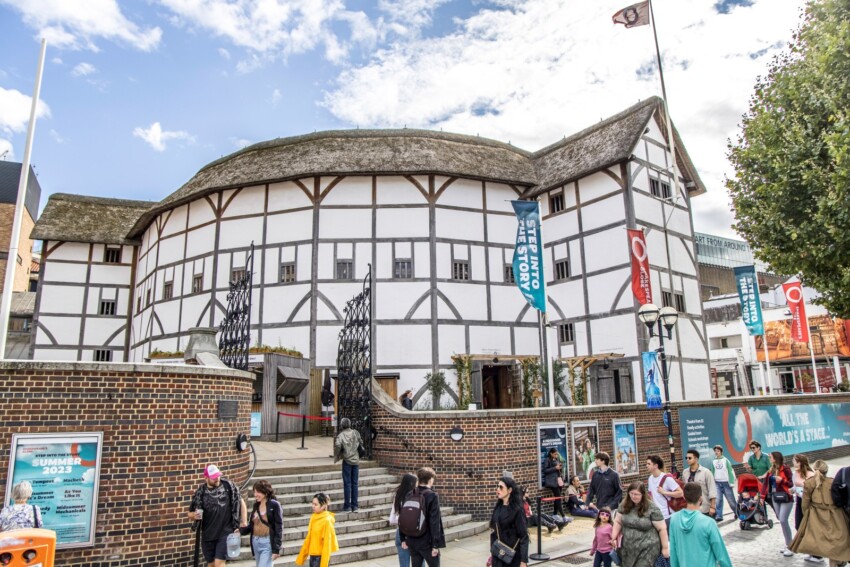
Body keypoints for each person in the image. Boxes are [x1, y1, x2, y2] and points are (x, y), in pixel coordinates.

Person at [789, 460, 850, 566]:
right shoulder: (832, 481)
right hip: (834, 516)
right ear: (826, 470)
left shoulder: (809, 483)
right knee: (834, 542)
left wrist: (807, 516)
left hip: (816, 516)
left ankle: (832, 560)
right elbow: (838, 498)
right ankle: (837, 562)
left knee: (819, 541)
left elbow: (805, 504)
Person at [188, 464, 242, 567]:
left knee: (219, 564)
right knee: (211, 564)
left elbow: (240, 501)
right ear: (206, 478)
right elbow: (189, 513)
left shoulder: (228, 487)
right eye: (213, 477)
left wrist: (242, 522)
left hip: (225, 533)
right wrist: (194, 515)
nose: (217, 479)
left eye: (218, 476)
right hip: (208, 535)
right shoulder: (200, 493)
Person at [668, 482, 732, 567]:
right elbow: (720, 553)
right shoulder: (708, 522)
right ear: (701, 498)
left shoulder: (674, 519)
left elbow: (673, 550)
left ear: (684, 497)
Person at [609, 481, 669, 567]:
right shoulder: (624, 504)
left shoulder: (652, 508)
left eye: (636, 494)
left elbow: (662, 529)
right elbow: (618, 521)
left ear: (643, 494)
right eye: (631, 493)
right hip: (627, 549)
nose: (633, 496)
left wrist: (665, 548)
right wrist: (613, 537)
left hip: (647, 550)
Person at [400, 467, 446, 567]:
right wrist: (435, 545)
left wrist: (403, 538)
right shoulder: (432, 496)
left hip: (412, 539)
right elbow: (434, 521)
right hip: (426, 541)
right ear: (430, 480)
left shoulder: (410, 493)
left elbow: (403, 516)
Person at [239, 480, 283, 567]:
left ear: (265, 492)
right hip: (255, 541)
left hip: (267, 542)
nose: (255, 494)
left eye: (258, 492)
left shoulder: (274, 505)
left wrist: (276, 549)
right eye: (254, 492)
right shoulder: (256, 506)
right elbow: (252, 526)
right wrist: (240, 531)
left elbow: (279, 527)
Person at [489, 476, 529, 567]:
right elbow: (493, 533)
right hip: (497, 555)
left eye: (501, 487)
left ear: (510, 490)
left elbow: (523, 536)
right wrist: (492, 554)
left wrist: (523, 561)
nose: (497, 489)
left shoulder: (517, 510)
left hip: (512, 557)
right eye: (497, 486)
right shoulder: (498, 508)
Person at [792, 454, 823, 564]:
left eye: (795, 461)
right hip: (799, 500)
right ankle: (810, 550)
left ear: (801, 462)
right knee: (798, 525)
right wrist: (793, 490)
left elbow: (813, 487)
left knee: (811, 527)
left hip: (809, 502)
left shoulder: (810, 474)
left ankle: (817, 555)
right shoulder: (795, 473)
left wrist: (802, 485)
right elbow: (795, 486)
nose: (794, 463)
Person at [763, 451, 795, 557]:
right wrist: (762, 496)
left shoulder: (785, 469)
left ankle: (791, 546)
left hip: (786, 497)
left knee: (783, 520)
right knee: (781, 521)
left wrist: (782, 481)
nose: (769, 459)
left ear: (775, 458)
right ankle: (787, 544)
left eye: (771, 457)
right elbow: (765, 484)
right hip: (775, 497)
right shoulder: (771, 469)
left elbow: (791, 484)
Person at [295, 493, 339, 567]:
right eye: (312, 504)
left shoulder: (326, 521)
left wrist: (324, 565)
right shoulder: (314, 517)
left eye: (316, 504)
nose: (313, 506)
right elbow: (309, 538)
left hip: (320, 557)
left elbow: (327, 545)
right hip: (313, 555)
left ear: (323, 506)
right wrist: (302, 556)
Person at [334, 417, 363, 512]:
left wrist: (337, 455)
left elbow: (338, 445)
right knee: (355, 483)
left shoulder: (341, 435)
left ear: (342, 425)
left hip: (347, 460)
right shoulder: (355, 432)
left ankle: (347, 506)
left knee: (347, 484)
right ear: (350, 424)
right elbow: (361, 442)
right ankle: (355, 505)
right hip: (356, 460)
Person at [645, 455, 683, 525]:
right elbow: (651, 496)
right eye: (646, 464)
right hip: (657, 515)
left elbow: (681, 493)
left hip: (668, 516)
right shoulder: (650, 478)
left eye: (649, 464)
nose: (646, 466)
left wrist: (664, 492)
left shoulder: (667, 478)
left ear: (655, 466)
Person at [390, 473, 418, 567]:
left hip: (400, 532)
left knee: (404, 565)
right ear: (412, 484)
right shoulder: (416, 497)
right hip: (414, 534)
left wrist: (401, 520)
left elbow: (392, 519)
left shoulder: (398, 496)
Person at [684, 449, 716, 517]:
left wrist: (712, 507)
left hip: (704, 509)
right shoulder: (685, 472)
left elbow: (712, 490)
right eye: (686, 458)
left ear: (696, 459)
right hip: (691, 509)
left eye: (690, 458)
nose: (687, 459)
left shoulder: (706, 472)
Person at [711, 446, 736, 522]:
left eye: (718, 451)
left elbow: (730, 471)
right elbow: (712, 472)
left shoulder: (726, 460)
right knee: (718, 500)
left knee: (731, 500)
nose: (716, 452)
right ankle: (719, 515)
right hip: (717, 483)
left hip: (726, 483)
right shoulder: (713, 461)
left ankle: (737, 512)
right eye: (715, 451)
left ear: (721, 452)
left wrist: (731, 482)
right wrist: (712, 482)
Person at [542, 448, 567, 518]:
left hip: (558, 480)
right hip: (552, 481)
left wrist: (560, 467)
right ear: (551, 453)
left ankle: (555, 514)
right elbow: (545, 470)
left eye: (557, 454)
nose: (556, 455)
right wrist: (555, 468)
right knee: (558, 498)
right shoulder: (547, 460)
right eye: (555, 454)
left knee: (557, 497)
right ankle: (563, 515)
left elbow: (558, 469)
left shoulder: (557, 459)